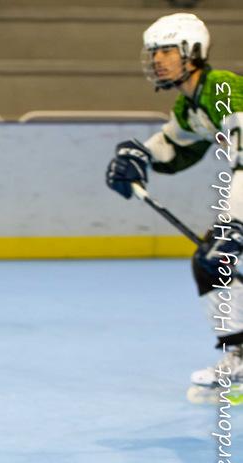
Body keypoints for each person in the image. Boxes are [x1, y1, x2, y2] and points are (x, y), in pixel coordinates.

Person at [105, 13, 243, 405]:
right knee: (210, 260)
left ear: (193, 52)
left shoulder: (223, 89)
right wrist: (140, 156)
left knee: (220, 252)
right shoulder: (193, 105)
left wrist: (236, 225)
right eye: (155, 53)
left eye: (167, 50)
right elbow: (176, 145)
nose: (158, 60)